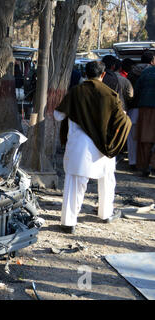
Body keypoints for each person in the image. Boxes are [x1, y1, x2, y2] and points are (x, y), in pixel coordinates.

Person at [54, 61, 132, 234]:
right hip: (104, 147)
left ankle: (68, 223)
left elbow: (58, 115)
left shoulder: (76, 92)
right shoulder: (110, 94)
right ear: (103, 75)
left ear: (86, 74)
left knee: (75, 184)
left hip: (80, 145)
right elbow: (122, 119)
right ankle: (106, 214)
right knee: (107, 180)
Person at [132, 51, 155, 177]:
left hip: (145, 109)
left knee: (145, 140)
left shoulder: (145, 73)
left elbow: (136, 90)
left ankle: (144, 166)